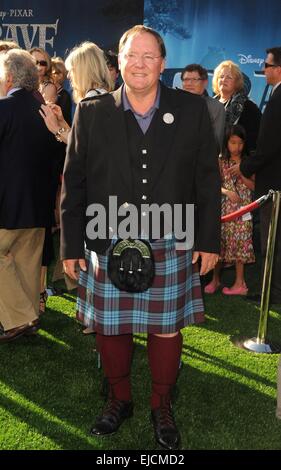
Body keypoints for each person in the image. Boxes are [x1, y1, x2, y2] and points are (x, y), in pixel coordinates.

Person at [60, 25, 221, 450]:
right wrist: (70, 245)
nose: (140, 63)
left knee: (166, 329)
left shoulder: (190, 110)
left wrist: (208, 240)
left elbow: (207, 180)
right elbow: (73, 182)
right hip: (106, 237)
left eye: (150, 56)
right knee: (110, 328)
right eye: (133, 55)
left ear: (163, 64)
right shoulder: (91, 112)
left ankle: (161, 404)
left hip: (172, 239)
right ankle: (119, 399)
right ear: (120, 61)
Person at [0, 49, 54, 343]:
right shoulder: (46, 109)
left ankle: (19, 317)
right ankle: (29, 315)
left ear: (9, 77)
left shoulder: (3, 108)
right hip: (39, 203)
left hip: (8, 204)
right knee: (28, 262)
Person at [230, 47, 281, 304]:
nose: (264, 70)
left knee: (273, 240)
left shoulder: (278, 97)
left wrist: (245, 167)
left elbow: (270, 145)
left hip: (274, 183)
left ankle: (272, 292)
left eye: (268, 65)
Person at [204, 125, 255, 295]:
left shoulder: (248, 162)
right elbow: (214, 185)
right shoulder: (220, 161)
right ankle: (215, 279)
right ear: (226, 143)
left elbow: (254, 186)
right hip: (224, 210)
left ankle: (240, 283)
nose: (237, 147)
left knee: (241, 244)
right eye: (233, 143)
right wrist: (227, 192)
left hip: (243, 211)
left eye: (240, 143)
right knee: (221, 244)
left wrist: (241, 172)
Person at [213, 60, 261, 155]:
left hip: (238, 164)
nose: (224, 80)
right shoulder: (209, 104)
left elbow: (256, 139)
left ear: (237, 82)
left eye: (229, 77)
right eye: (221, 77)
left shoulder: (248, 107)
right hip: (210, 161)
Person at [181, 63, 225, 152]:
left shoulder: (215, 107)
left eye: (194, 79)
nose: (189, 83)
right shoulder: (174, 104)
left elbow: (216, 144)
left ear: (205, 82)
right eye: (186, 79)